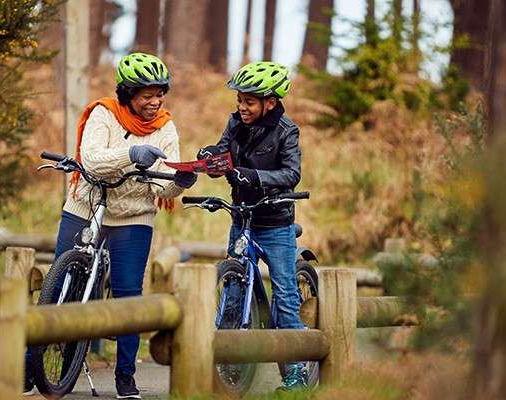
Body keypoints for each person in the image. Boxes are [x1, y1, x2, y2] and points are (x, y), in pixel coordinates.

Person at [24, 52, 196, 399]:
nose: (155, 101)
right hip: (86, 205)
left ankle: (125, 377)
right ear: (128, 94)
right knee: (56, 289)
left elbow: (161, 187)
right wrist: (131, 155)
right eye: (147, 95)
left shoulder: (166, 127)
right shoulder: (103, 114)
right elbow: (92, 159)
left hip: (133, 216)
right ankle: (29, 368)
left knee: (127, 296)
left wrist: (181, 181)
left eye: (160, 93)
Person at [197, 61, 307, 391]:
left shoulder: (287, 131)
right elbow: (223, 149)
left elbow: (291, 174)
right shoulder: (235, 123)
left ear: (270, 102)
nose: (241, 107)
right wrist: (210, 156)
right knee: (232, 290)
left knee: (285, 295)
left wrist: (255, 176)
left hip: (275, 222)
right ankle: (230, 366)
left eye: (249, 102)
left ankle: (296, 372)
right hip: (242, 216)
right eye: (239, 101)